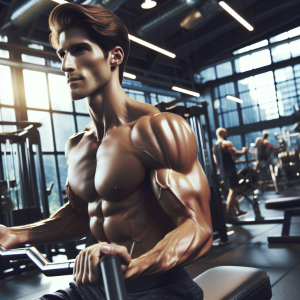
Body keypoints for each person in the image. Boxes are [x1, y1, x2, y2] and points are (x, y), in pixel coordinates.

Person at [0, 3, 212, 300]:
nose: (65, 65)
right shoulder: (77, 145)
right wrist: (16, 234)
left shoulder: (156, 129)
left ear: (115, 55)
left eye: (79, 50)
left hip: (160, 287)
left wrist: (129, 266)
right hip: (97, 288)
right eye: (62, 53)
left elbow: (198, 227)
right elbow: (81, 213)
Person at [212, 128, 248, 218]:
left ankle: (238, 211)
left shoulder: (214, 146)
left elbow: (216, 161)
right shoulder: (226, 143)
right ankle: (228, 213)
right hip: (230, 171)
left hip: (222, 171)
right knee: (233, 191)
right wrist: (244, 151)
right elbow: (235, 154)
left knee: (232, 191)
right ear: (223, 133)